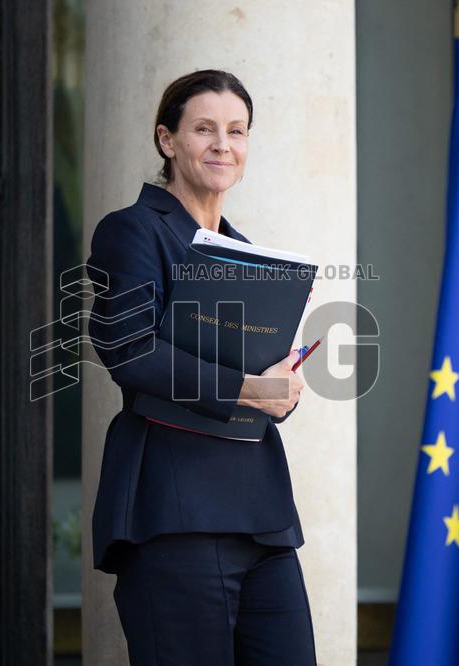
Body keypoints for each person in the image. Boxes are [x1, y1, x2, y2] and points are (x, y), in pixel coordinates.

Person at [85, 69, 317, 666]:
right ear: (167, 140)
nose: (223, 144)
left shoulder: (246, 254)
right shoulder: (131, 231)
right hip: (173, 510)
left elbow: (264, 382)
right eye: (204, 128)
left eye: (236, 131)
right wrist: (246, 388)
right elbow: (127, 349)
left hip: (262, 517)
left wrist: (282, 388)